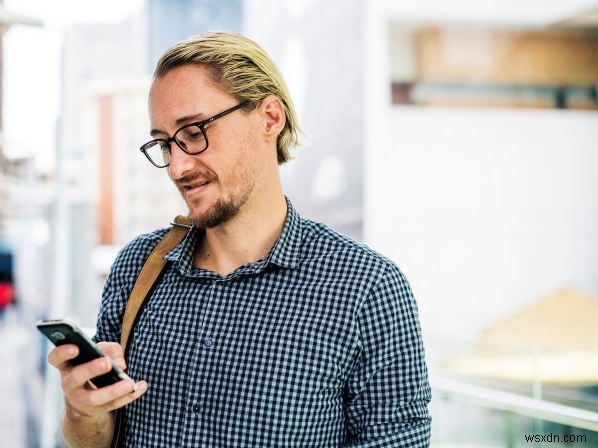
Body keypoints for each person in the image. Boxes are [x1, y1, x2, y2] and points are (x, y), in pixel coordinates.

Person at [47, 31, 431, 447]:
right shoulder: (137, 265)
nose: (177, 166)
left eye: (193, 132)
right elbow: (95, 440)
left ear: (270, 117)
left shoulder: (368, 288)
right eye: (163, 143)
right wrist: (82, 412)